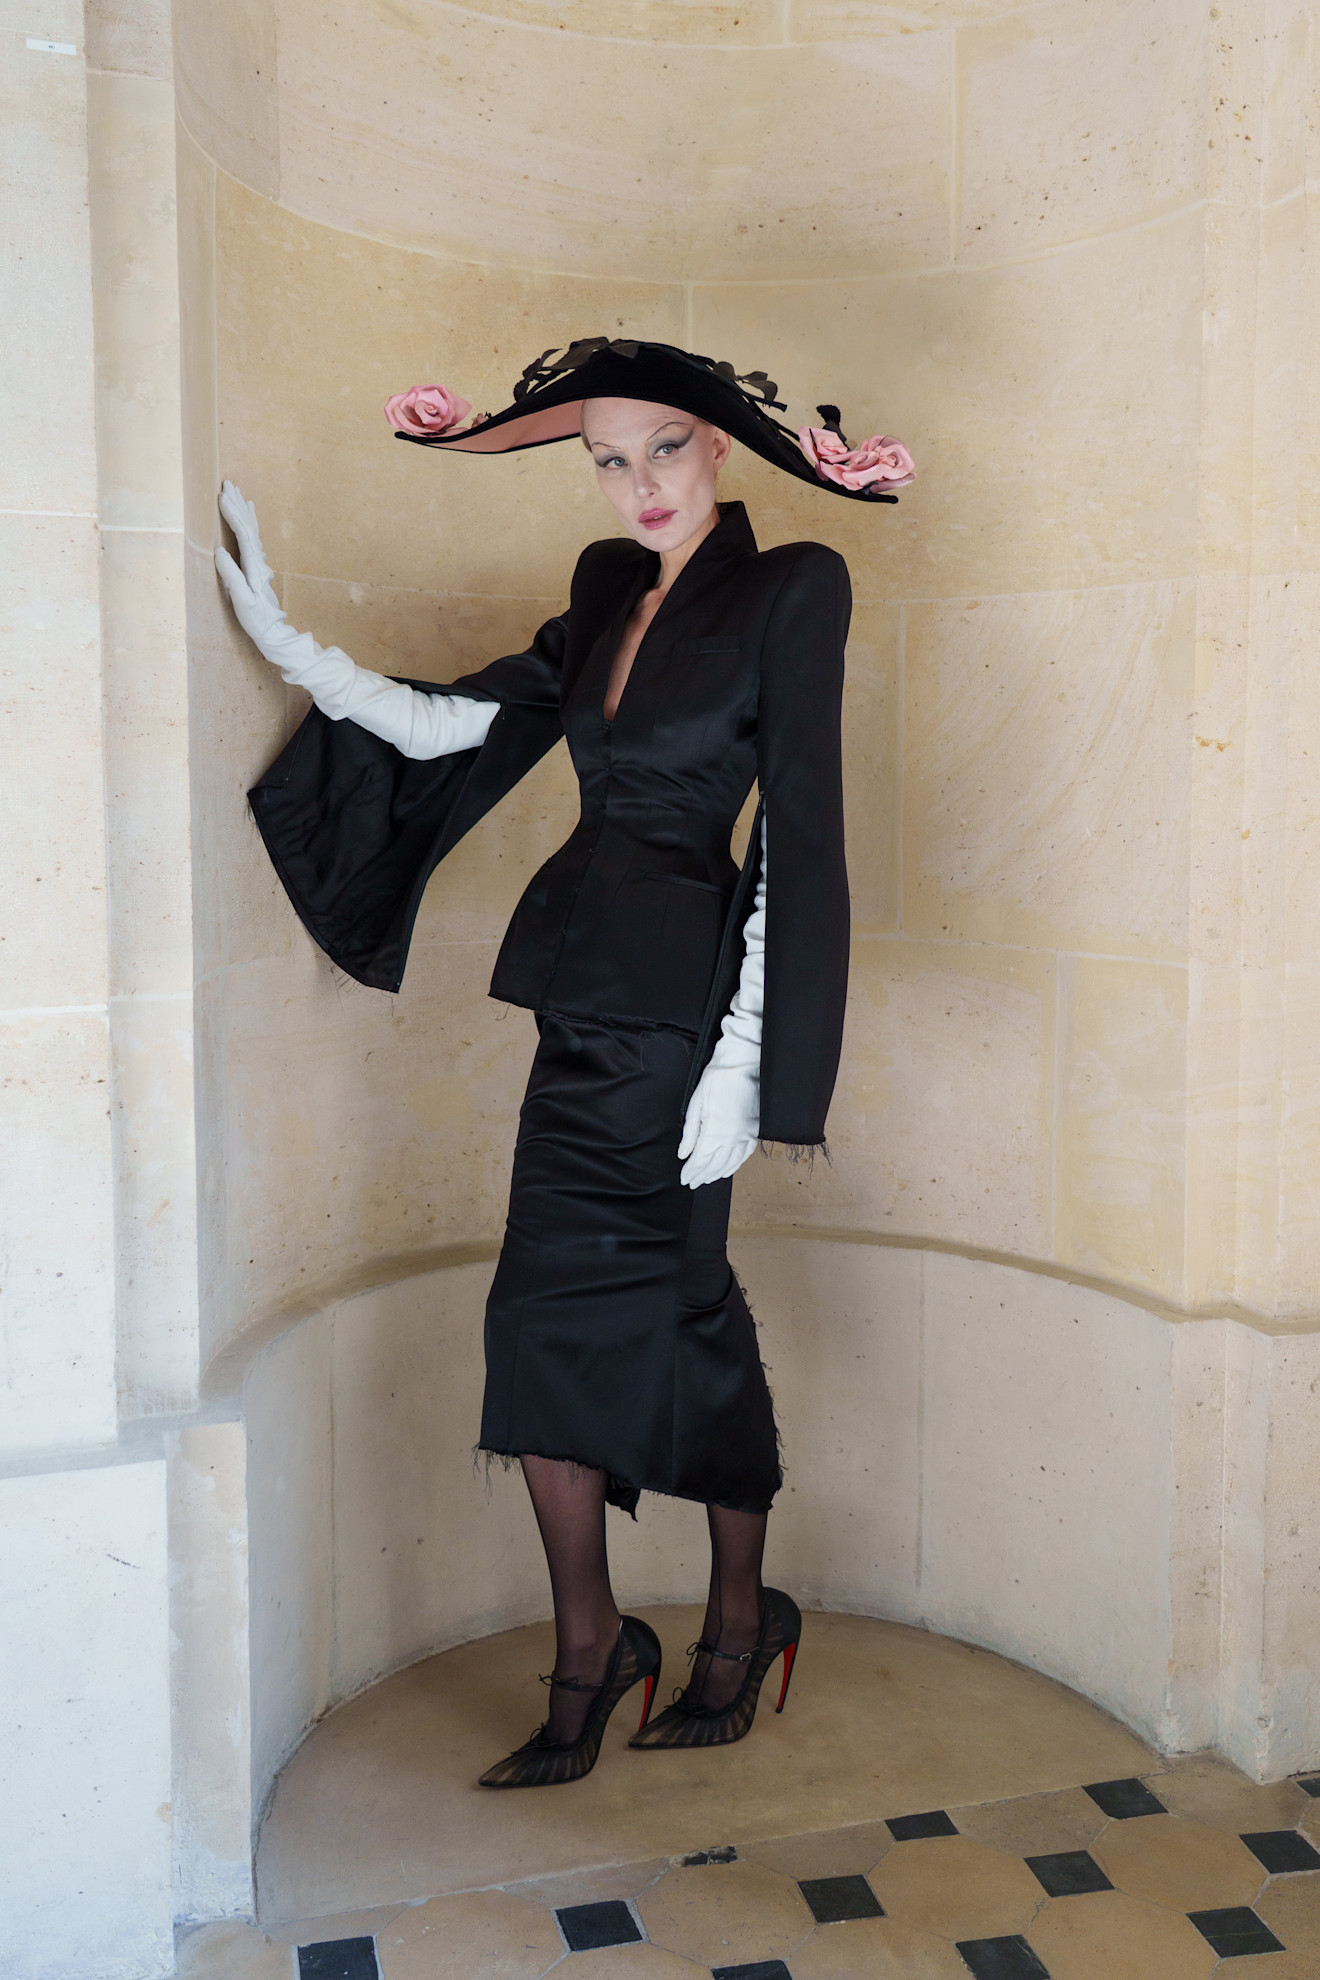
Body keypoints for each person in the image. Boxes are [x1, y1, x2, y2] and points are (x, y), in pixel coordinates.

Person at [215, 337, 913, 1788]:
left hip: (686, 1024)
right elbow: (464, 723)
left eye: (663, 447)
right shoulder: (605, 599)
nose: (636, 481)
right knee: (537, 1320)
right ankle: (592, 1647)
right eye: (606, 457)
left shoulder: (794, 589)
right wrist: (295, 652)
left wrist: (749, 1064)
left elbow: (798, 831)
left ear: (718, 448)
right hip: (581, 1009)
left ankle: (736, 1611)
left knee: (681, 1313)